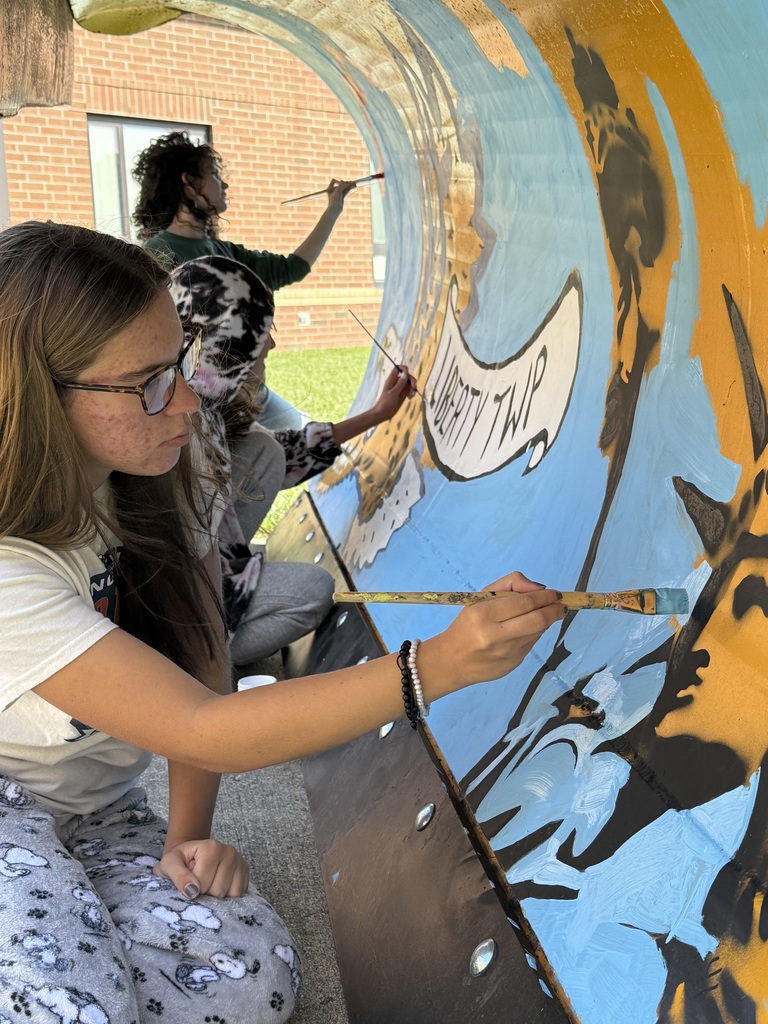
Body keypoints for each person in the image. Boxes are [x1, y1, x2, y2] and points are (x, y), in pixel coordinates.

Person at [0, 220, 564, 1022]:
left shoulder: (159, 463)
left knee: (252, 975)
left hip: (93, 814)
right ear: (34, 394)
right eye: (150, 380)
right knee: (73, 1003)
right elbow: (205, 724)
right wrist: (434, 667)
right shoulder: (10, 568)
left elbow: (202, 658)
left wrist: (183, 847)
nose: (190, 397)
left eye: (181, 366)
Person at [169, 254, 416, 671]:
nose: (270, 345)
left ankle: (222, 605)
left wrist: (375, 416)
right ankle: (196, 659)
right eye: (260, 333)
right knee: (313, 590)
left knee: (263, 450)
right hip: (173, 610)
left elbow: (284, 455)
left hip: (195, 568)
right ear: (225, 341)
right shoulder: (178, 429)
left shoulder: (193, 399)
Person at [132, 129, 359, 430]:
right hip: (204, 407)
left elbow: (293, 267)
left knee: (291, 435)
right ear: (188, 183)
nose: (223, 183)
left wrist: (334, 209)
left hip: (249, 396)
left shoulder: (225, 251)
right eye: (213, 174)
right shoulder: (158, 253)